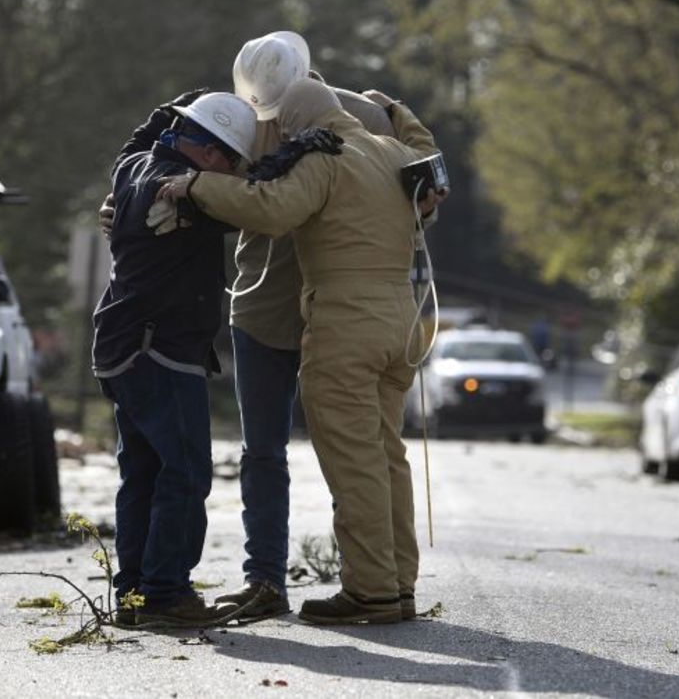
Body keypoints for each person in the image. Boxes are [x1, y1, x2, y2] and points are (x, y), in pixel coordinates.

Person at [98, 31, 445, 623]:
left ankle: (372, 589)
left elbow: (274, 205)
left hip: (330, 309)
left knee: (346, 455)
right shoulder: (240, 117)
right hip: (287, 307)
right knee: (313, 452)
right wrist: (131, 203)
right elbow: (422, 179)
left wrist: (194, 187)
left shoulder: (339, 125)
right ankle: (299, 581)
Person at [92, 91, 259, 628]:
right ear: (208, 155)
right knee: (184, 474)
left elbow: (136, 141)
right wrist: (299, 153)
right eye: (231, 159)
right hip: (160, 347)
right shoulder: (185, 192)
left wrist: (176, 106)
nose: (233, 171)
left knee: (141, 473)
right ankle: (166, 594)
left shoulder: (132, 166)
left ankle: (135, 596)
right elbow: (258, 197)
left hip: (121, 347)